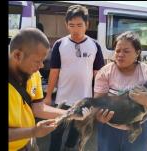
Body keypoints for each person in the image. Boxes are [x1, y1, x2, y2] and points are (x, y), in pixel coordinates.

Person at [43, 4, 105, 151]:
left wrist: (99, 98)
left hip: (84, 99)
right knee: (57, 129)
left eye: (79, 25)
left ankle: (69, 148)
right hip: (62, 98)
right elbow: (54, 71)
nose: (75, 29)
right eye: (71, 25)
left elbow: (98, 74)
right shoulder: (59, 44)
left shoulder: (95, 45)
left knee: (76, 131)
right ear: (66, 25)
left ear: (87, 24)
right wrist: (47, 96)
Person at [94, 31, 147, 151]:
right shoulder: (105, 72)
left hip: (138, 128)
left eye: (126, 51)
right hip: (109, 129)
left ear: (137, 53)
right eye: (118, 50)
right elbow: (98, 102)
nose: (120, 54)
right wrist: (99, 117)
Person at [9, 28, 69, 151]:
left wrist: (71, 114)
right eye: (37, 61)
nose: (41, 66)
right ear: (17, 55)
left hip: (28, 143)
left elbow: (38, 108)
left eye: (43, 61)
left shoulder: (33, 74)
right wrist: (34, 131)